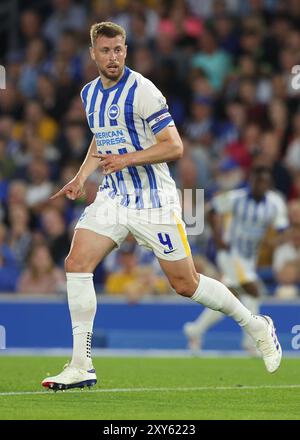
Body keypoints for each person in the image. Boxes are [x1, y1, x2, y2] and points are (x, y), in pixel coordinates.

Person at [42, 22, 282, 391]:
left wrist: (129, 160)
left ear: (126, 49)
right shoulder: (89, 93)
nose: (113, 57)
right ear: (93, 53)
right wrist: (81, 177)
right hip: (114, 195)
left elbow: (174, 146)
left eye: (119, 49)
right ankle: (80, 364)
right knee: (76, 263)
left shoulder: (143, 91)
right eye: (105, 51)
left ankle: (256, 325)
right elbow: (101, 138)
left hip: (154, 200)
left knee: (185, 284)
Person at [183, 166, 289, 352]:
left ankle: (195, 329)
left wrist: (273, 242)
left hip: (249, 258)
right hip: (230, 253)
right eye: (257, 181)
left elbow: (282, 230)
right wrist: (217, 237)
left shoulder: (275, 203)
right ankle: (252, 342)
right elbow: (212, 209)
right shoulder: (237, 198)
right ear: (251, 182)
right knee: (254, 291)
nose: (260, 186)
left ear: (269, 184)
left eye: (264, 182)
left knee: (232, 297)